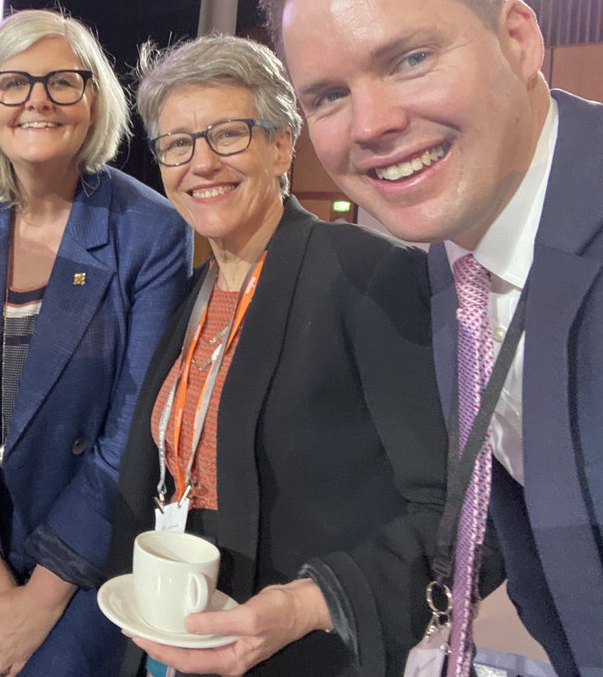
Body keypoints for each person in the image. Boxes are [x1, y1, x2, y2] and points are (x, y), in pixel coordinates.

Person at [253, 0, 603, 676]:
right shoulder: (444, 272)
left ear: (518, 39)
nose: (372, 123)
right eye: (328, 95)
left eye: (409, 59)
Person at [107, 34, 447, 677]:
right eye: (177, 144)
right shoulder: (191, 295)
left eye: (228, 134)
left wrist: (309, 605)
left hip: (303, 655)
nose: (200, 163)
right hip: (173, 637)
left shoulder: (367, 275)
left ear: (282, 143)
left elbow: (462, 511)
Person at [0, 8, 193, 677]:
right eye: (14, 82)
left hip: (85, 550)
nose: (37, 99)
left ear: (94, 100)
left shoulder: (151, 231)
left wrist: (42, 594)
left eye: (63, 81)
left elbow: (137, 425)